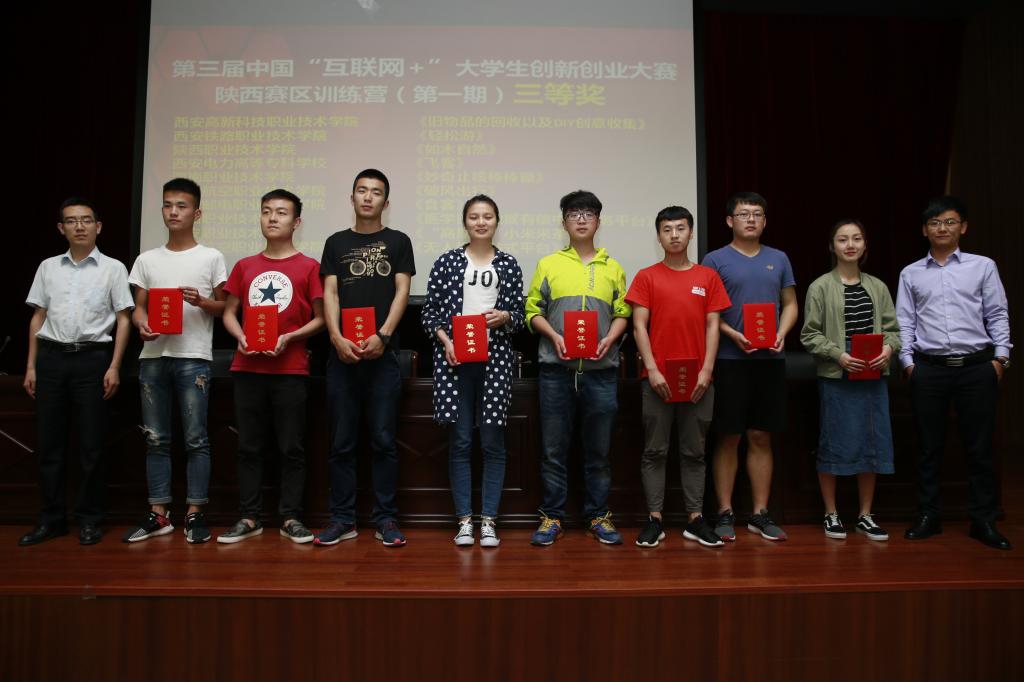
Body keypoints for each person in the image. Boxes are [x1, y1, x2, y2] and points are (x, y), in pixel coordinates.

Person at [897, 196, 1012, 550]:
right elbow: (904, 321)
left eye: (949, 222)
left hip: (977, 367)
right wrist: (908, 363)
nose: (942, 228)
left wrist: (1001, 358)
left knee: (979, 447)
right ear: (924, 230)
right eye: (935, 223)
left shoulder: (983, 266)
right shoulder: (911, 273)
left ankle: (983, 520)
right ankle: (928, 516)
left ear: (963, 227)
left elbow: (997, 313)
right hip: (929, 369)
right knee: (928, 447)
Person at [19, 198, 133, 546]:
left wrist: (115, 365)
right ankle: (51, 519)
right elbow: (38, 316)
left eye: (86, 220)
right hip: (51, 359)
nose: (79, 226)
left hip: (92, 360)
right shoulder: (48, 267)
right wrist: (31, 365)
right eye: (71, 221)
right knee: (49, 444)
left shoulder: (113, 268)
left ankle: (89, 519)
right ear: (61, 228)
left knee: (91, 445)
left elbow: (124, 319)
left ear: (98, 226)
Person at [216, 189, 325, 544]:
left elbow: (322, 319)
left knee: (291, 448)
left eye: (281, 212)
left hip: (290, 370)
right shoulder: (245, 266)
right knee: (248, 447)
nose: (272, 218)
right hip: (247, 368)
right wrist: (240, 336)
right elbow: (229, 313)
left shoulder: (309, 266)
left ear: (296, 222)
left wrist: (290, 337)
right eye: (266, 211)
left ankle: (291, 517)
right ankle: (249, 517)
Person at [123, 178, 227, 544]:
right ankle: (159, 513)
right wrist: (141, 323)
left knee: (196, 439)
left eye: (181, 206)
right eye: (168, 205)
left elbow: (225, 308)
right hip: (153, 357)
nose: (173, 212)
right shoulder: (147, 259)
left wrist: (202, 302)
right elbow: (138, 308)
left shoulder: (211, 257)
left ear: (196, 213)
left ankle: (195, 512)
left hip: (193, 357)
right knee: (156, 439)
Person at [525, 190, 631, 546]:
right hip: (556, 372)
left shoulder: (613, 267)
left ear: (598, 221)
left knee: (598, 453)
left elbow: (623, 312)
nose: (581, 219)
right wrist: (553, 335)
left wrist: (611, 338)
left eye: (588, 213)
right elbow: (532, 310)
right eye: (574, 213)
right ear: (564, 222)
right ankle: (552, 517)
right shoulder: (549, 264)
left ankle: (598, 515)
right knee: (553, 451)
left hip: (601, 373)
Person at [316, 169, 415, 547]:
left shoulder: (398, 241)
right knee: (341, 443)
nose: (368, 197)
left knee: (383, 441)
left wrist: (384, 336)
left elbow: (402, 291)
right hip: (342, 355)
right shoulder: (335, 242)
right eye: (362, 190)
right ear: (352, 197)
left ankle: (385, 519)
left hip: (383, 356)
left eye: (376, 192)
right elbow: (330, 294)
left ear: (386, 203)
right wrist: (336, 338)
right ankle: (343, 519)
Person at [421, 195, 525, 547]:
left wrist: (506, 316)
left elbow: (520, 314)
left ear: (497, 221)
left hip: (495, 361)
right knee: (462, 441)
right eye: (474, 217)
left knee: (493, 442)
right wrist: (446, 341)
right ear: (465, 222)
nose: (481, 222)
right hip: (454, 362)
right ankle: (465, 520)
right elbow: (430, 312)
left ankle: (489, 520)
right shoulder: (447, 261)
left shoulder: (508, 264)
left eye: (488, 216)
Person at [627, 206, 730, 548]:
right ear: (658, 236)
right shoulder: (646, 276)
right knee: (654, 451)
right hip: (656, 380)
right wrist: (653, 369)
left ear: (691, 233)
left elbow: (713, 326)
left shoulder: (707, 277)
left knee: (694, 452)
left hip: (699, 380)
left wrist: (707, 371)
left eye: (680, 228)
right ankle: (654, 519)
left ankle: (695, 519)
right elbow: (639, 326)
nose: (674, 235)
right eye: (667, 229)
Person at [702, 192, 798, 542]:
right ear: (730, 221)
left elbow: (790, 303)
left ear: (765, 221)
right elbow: (708, 313)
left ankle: (760, 513)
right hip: (730, 360)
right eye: (744, 214)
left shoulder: (779, 258)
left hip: (770, 360)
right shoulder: (714, 260)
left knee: (761, 435)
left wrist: (782, 332)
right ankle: (725, 512)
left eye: (757, 214)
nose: (751, 220)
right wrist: (732, 334)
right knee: (729, 435)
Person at [800, 219, 900, 541]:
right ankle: (831, 513)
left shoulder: (878, 286)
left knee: (872, 443)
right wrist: (838, 355)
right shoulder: (820, 287)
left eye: (856, 238)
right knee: (833, 442)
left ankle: (865, 515)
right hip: (837, 373)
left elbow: (894, 331)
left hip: (872, 371)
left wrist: (888, 349)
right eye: (843, 239)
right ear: (832, 246)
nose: (850, 245)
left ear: (865, 245)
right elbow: (809, 334)